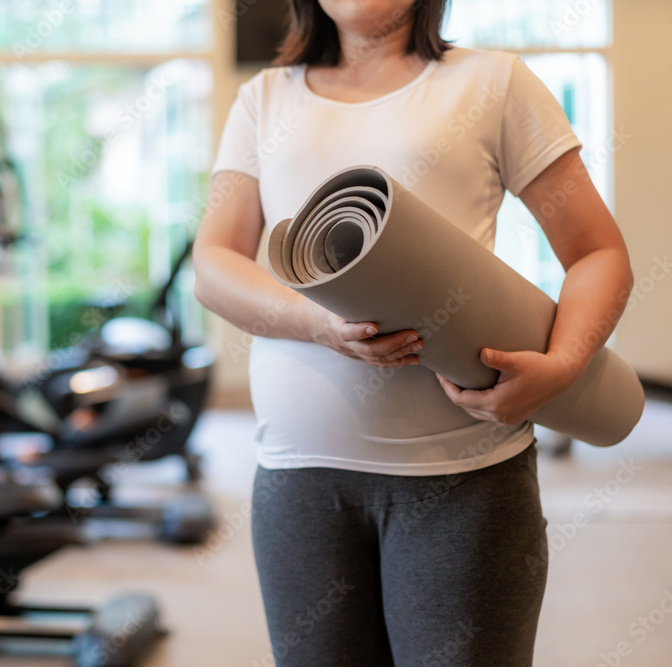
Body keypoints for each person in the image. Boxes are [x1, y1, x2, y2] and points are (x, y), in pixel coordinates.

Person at [192, 0, 633, 664]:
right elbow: (214, 264)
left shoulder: (493, 82)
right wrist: (320, 324)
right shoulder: (263, 99)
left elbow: (599, 253)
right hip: (299, 482)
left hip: (463, 479)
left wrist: (564, 364)